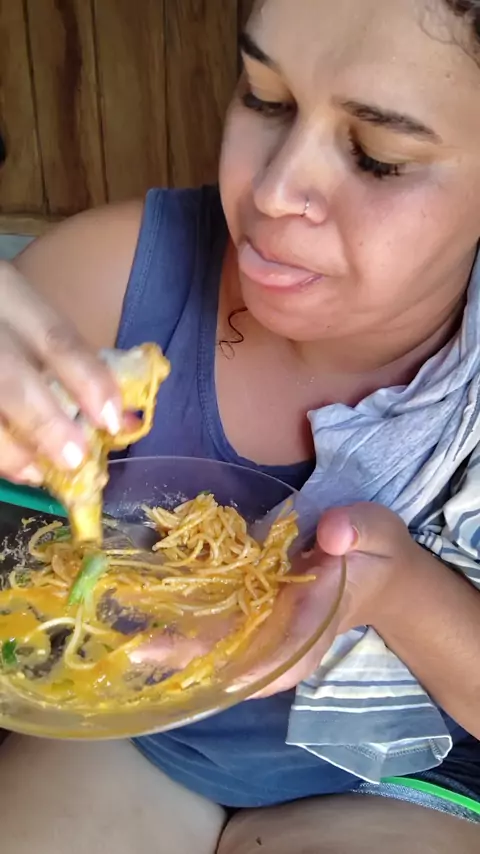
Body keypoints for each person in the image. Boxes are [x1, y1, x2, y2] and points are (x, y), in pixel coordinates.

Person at [0, 0, 480, 850]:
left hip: (409, 777)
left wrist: (392, 588)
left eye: (378, 157)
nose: (272, 191)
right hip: (133, 725)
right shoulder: (104, 281)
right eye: (264, 97)